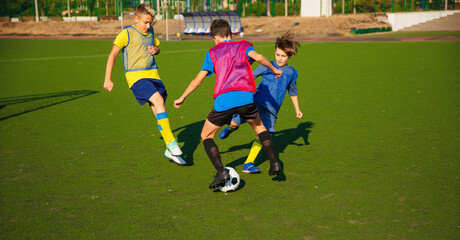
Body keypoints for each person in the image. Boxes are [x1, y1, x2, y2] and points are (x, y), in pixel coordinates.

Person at [173, 19, 283, 189]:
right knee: (259, 128)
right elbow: (260, 58)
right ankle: (274, 163)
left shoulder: (212, 53)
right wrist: (275, 69)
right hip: (246, 98)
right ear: (231, 34)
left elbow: (197, 81)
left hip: (224, 100)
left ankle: (220, 171)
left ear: (215, 38)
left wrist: (182, 97)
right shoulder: (244, 46)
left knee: (206, 136)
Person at [103, 3, 185, 165]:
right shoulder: (127, 33)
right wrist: (107, 78)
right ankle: (171, 143)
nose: (148, 26)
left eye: (150, 23)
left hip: (153, 75)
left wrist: (156, 50)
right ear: (136, 18)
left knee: (158, 109)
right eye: (145, 22)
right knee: (158, 101)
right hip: (136, 77)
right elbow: (113, 54)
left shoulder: (151, 31)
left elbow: (157, 48)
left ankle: (170, 150)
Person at [218, 32, 302, 174]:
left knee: (263, 135)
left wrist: (297, 109)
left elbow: (292, 91)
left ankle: (248, 163)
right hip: (255, 102)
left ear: (290, 56)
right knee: (235, 123)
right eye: (277, 54)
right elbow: (251, 76)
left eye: (283, 56)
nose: (280, 59)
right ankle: (230, 129)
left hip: (272, 109)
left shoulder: (292, 73)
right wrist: (249, 90)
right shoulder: (266, 66)